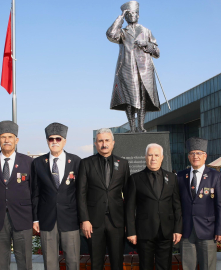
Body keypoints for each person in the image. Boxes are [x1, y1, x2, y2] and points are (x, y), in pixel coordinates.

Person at [0, 121, 33, 270]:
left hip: (22, 218)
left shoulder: (28, 161)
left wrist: (35, 219)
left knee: (24, 261)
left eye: (10, 137)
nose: (7, 140)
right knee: (0, 262)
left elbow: (34, 191)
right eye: (3, 137)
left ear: (16, 140)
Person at [77, 128, 130, 270]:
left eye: (107, 140)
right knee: (96, 263)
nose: (104, 144)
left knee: (117, 262)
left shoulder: (123, 164)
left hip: (117, 222)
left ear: (113, 143)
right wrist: (85, 220)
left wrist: (128, 223)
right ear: (95, 144)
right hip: (93, 223)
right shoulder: (86, 163)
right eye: (100, 141)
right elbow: (81, 193)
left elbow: (128, 196)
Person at [31, 123, 81, 270]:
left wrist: (82, 218)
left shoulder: (76, 161)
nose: (54, 142)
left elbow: (80, 192)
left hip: (70, 219)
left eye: (58, 139)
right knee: (50, 263)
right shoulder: (38, 163)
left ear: (64, 140)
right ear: (47, 141)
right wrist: (35, 218)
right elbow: (35, 193)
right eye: (51, 139)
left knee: (73, 261)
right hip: (47, 220)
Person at [106, 1, 160, 132]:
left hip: (144, 69)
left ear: (138, 15)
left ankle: (141, 126)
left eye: (134, 13)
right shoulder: (122, 32)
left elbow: (157, 52)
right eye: (128, 14)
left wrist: (146, 44)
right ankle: (132, 127)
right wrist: (120, 17)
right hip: (127, 68)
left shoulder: (146, 31)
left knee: (142, 97)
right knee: (129, 98)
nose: (132, 15)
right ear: (125, 16)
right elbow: (111, 35)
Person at [126, 143, 182, 270]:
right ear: (145, 157)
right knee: (145, 266)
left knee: (165, 266)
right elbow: (129, 208)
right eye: (150, 155)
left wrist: (178, 229)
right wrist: (131, 231)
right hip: (144, 232)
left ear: (162, 157)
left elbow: (177, 205)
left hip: (166, 231)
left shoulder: (172, 178)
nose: (153, 158)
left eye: (156, 155)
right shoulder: (135, 179)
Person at [177, 137, 221, 270]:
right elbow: (177, 204)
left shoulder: (215, 176)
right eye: (192, 153)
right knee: (187, 266)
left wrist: (220, 230)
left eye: (199, 153)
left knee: (208, 266)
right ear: (188, 157)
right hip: (186, 230)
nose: (195, 156)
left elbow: (220, 205)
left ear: (205, 156)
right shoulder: (181, 176)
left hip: (208, 230)